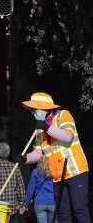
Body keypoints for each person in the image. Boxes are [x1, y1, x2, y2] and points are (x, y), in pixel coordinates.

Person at [19, 92, 90, 222]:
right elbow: (38, 153)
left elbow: (68, 137)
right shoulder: (39, 131)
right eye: (32, 111)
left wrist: (46, 127)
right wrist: (26, 158)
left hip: (75, 172)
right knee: (63, 213)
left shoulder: (63, 115)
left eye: (35, 109)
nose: (33, 113)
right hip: (58, 176)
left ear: (44, 107)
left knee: (79, 209)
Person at [0, 142, 25, 223]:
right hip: (12, 207)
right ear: (8, 154)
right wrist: (21, 203)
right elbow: (21, 187)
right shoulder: (15, 167)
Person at [19, 156, 55, 223]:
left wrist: (26, 205)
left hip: (39, 203)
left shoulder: (36, 172)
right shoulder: (54, 172)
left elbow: (30, 190)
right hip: (52, 202)